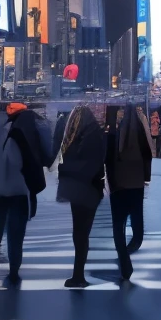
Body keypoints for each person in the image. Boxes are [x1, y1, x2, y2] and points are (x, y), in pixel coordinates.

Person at [0, 101, 53, 289]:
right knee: (16, 235)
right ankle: (14, 271)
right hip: (18, 192)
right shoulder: (19, 135)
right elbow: (21, 162)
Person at [56, 105, 106, 287]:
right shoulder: (96, 135)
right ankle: (79, 274)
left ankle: (78, 274)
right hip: (91, 188)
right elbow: (99, 162)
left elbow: (64, 162)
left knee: (78, 232)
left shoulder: (71, 138)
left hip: (75, 189)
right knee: (84, 232)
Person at [106, 103, 153, 281]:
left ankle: (124, 260)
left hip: (118, 186)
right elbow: (148, 153)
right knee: (136, 223)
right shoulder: (139, 133)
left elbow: (107, 158)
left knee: (118, 226)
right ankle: (128, 252)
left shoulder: (112, 134)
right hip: (135, 185)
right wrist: (145, 176)